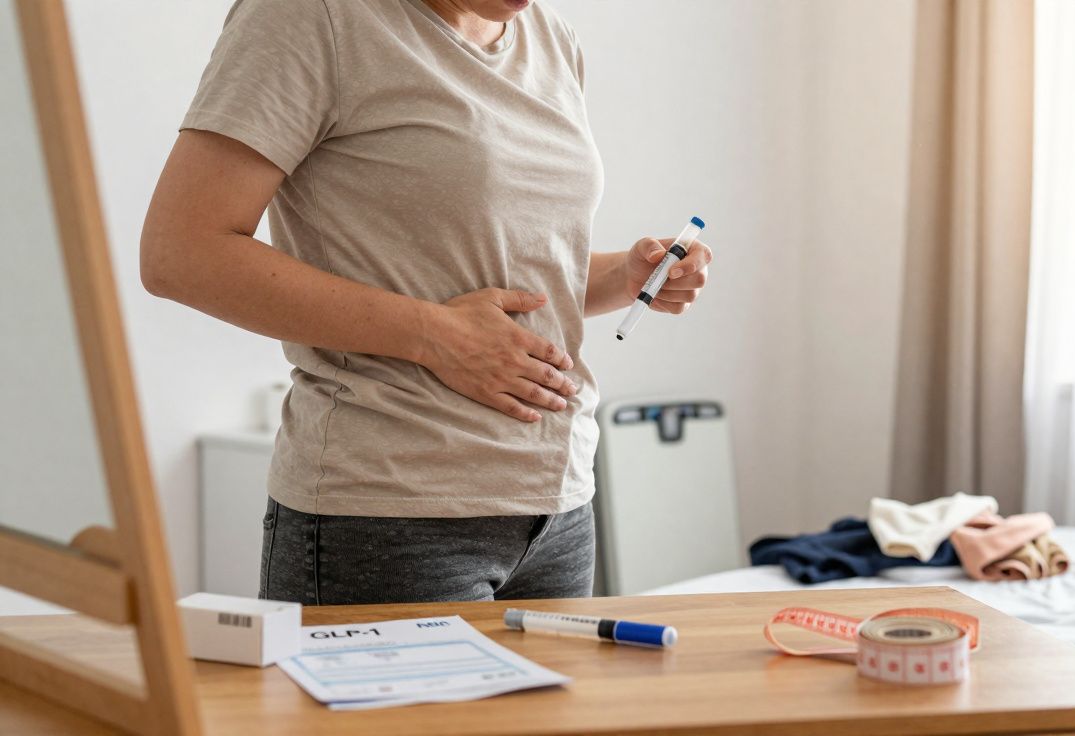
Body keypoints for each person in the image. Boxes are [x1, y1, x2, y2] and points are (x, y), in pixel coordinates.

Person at [139, 0, 712, 604]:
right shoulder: (311, 16)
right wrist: (433, 334)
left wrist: (627, 275)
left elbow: (506, 271)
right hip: (387, 511)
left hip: (559, 508)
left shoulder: (551, 37)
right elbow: (181, 252)